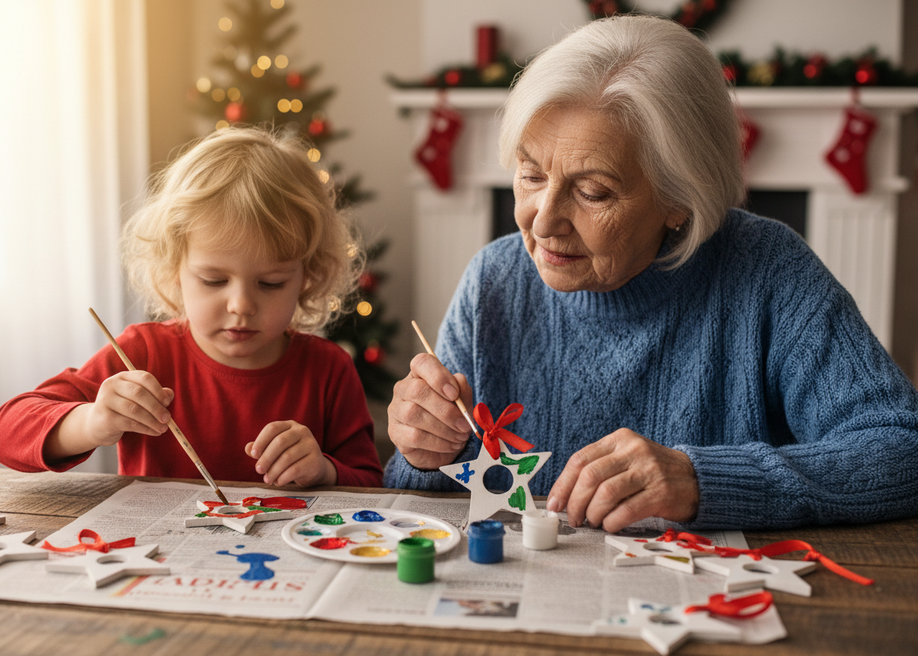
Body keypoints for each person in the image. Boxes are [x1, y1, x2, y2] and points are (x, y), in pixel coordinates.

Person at [384, 15, 918, 531]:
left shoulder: (768, 272)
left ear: (679, 199)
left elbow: (902, 450)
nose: (542, 221)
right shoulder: (494, 280)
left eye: (593, 192)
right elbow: (423, 494)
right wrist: (425, 450)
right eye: (530, 175)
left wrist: (702, 480)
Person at [0, 126, 383, 488]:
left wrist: (324, 470)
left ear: (307, 277)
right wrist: (92, 422)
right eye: (213, 280)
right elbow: (6, 432)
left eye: (271, 283)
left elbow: (371, 483)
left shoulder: (328, 370)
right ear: (174, 268)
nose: (241, 305)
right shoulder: (142, 354)